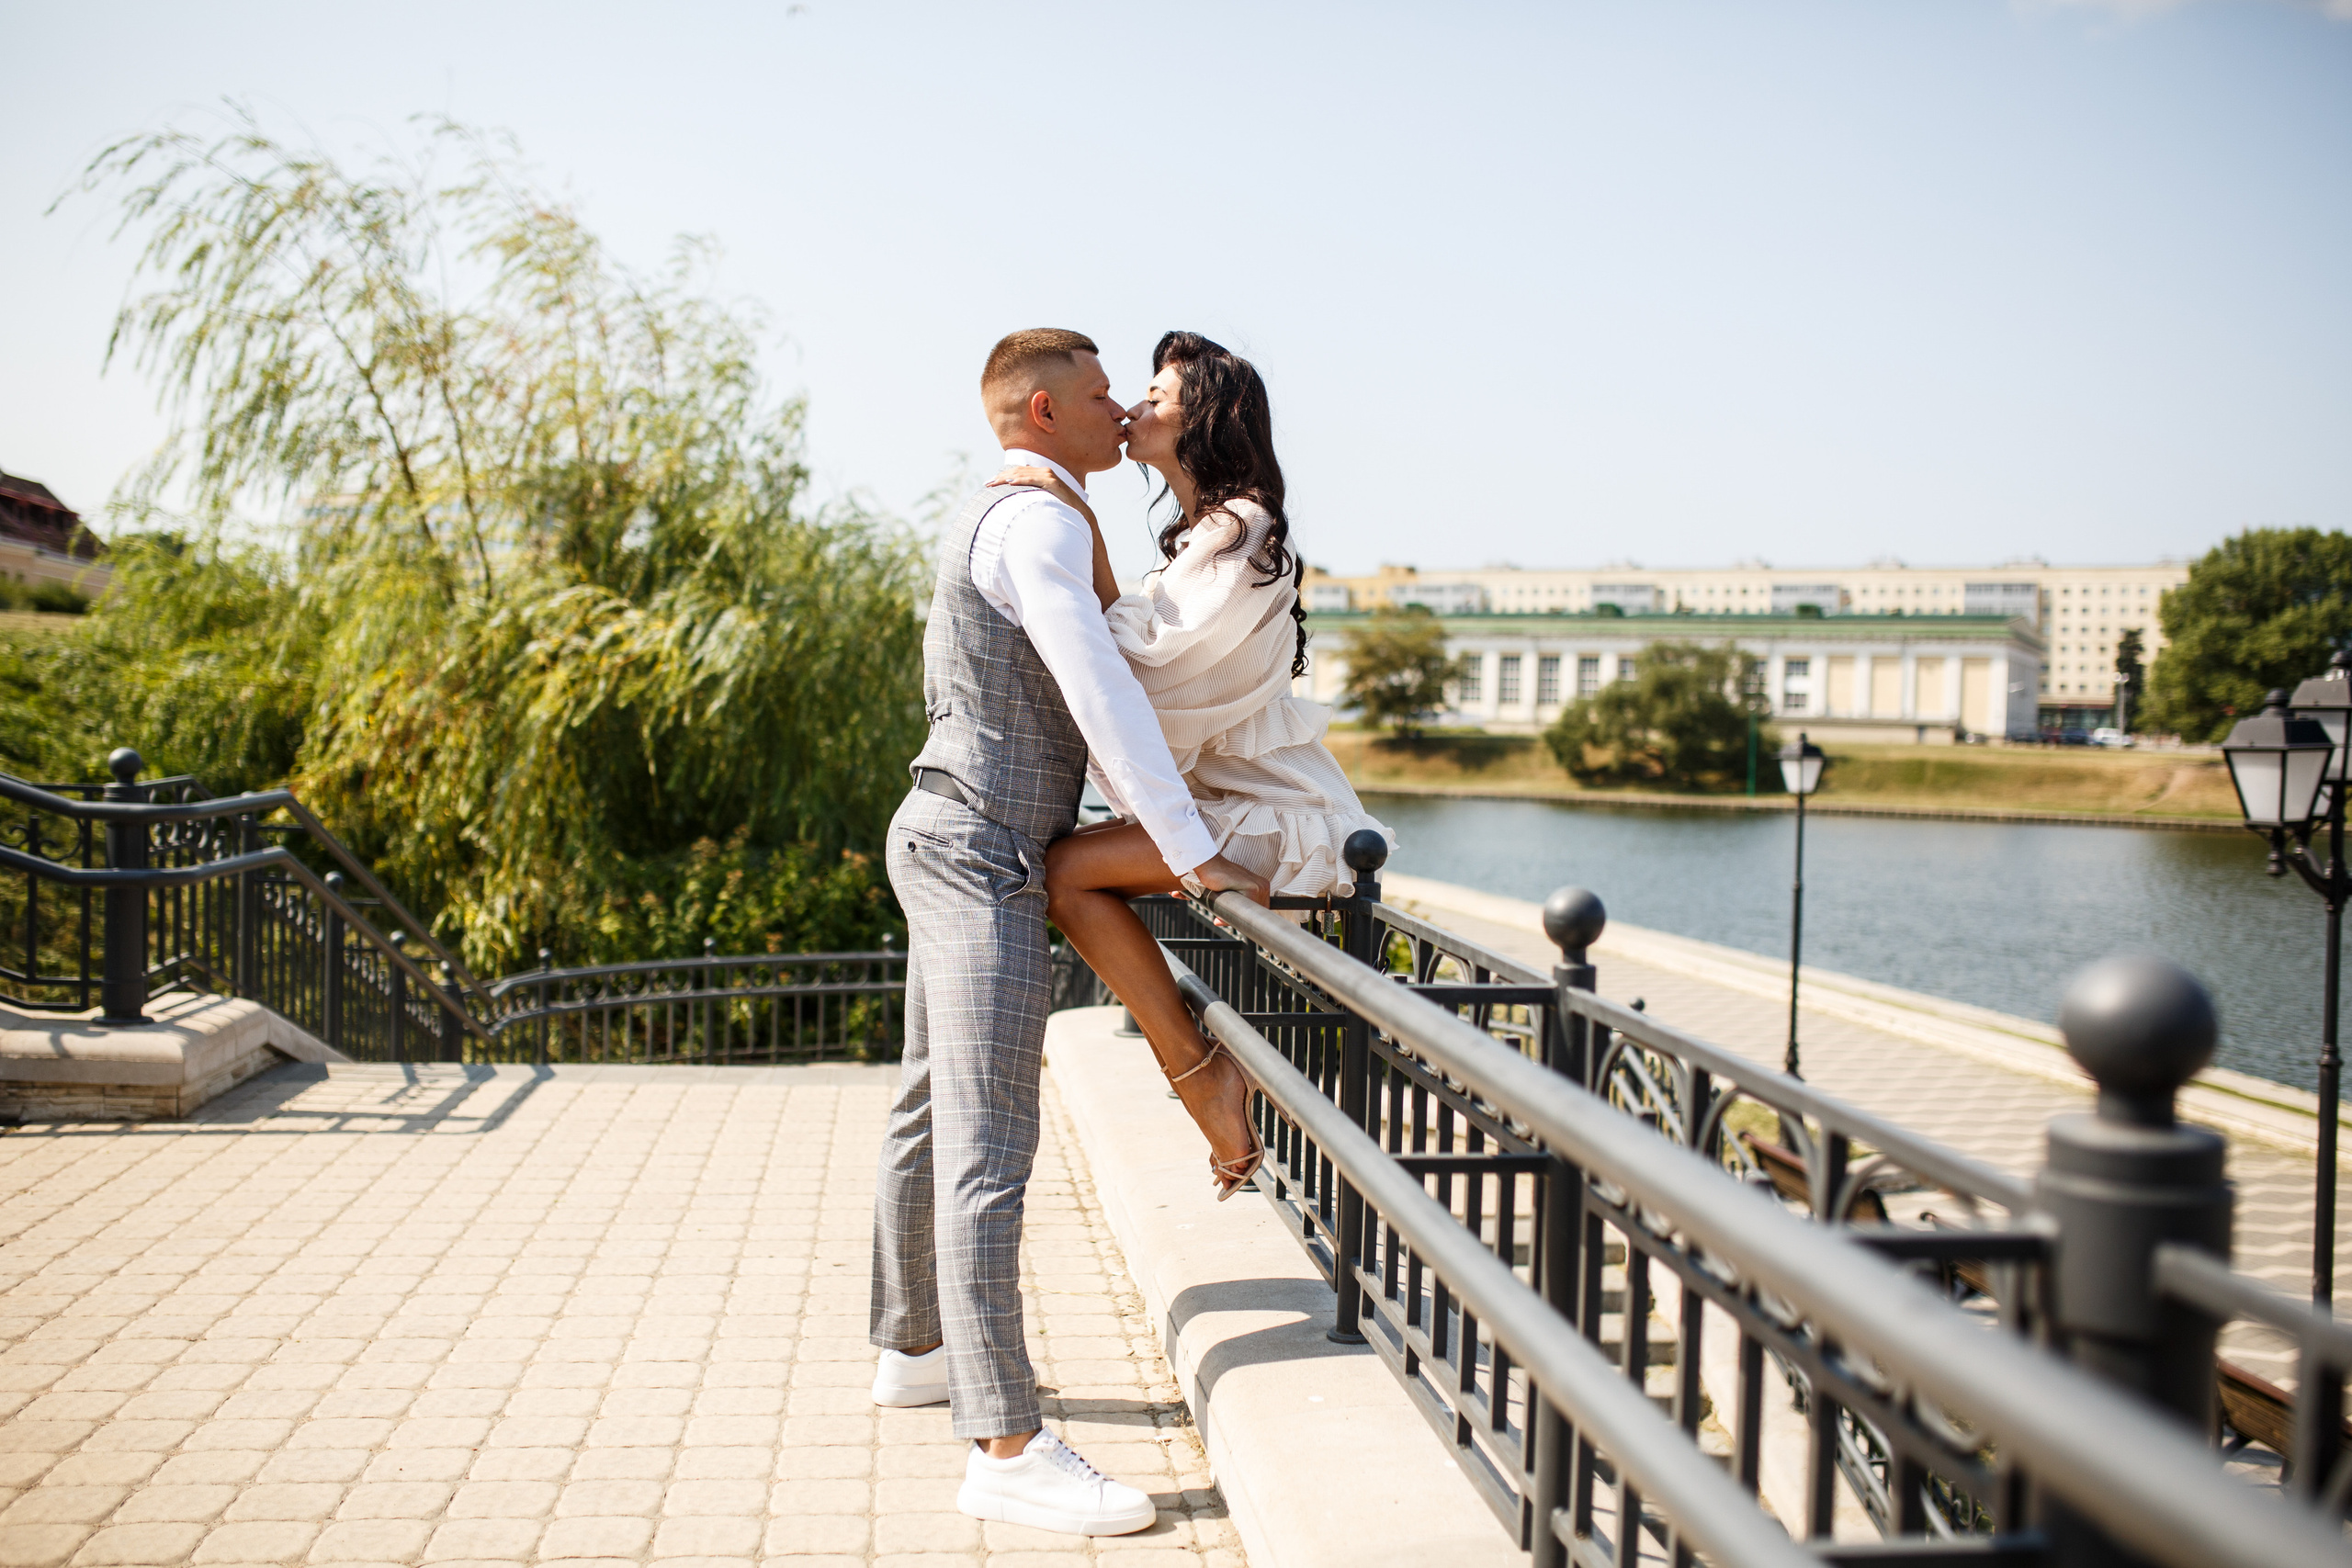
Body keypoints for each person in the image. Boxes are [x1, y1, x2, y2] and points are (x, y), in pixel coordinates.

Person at [867, 329, 1271, 1539]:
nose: (1120, 414)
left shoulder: (1014, 510)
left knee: (929, 1101)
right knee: (990, 1136)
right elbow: (1093, 684)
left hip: (955, 831)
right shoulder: (1036, 522)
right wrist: (1189, 847)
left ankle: (911, 1346)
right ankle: (1004, 1443)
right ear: (1043, 409)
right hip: (978, 844)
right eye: (1102, 397)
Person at [989, 331, 1393, 1201]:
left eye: (1156, 396)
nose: (1132, 407)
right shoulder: (1205, 537)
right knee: (1066, 874)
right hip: (1250, 812)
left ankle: (1203, 1078)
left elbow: (1153, 682)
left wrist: (1076, 522)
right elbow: (1144, 672)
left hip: (1280, 825)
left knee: (1064, 874)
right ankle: (1205, 1075)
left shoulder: (1243, 528)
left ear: (1204, 417)